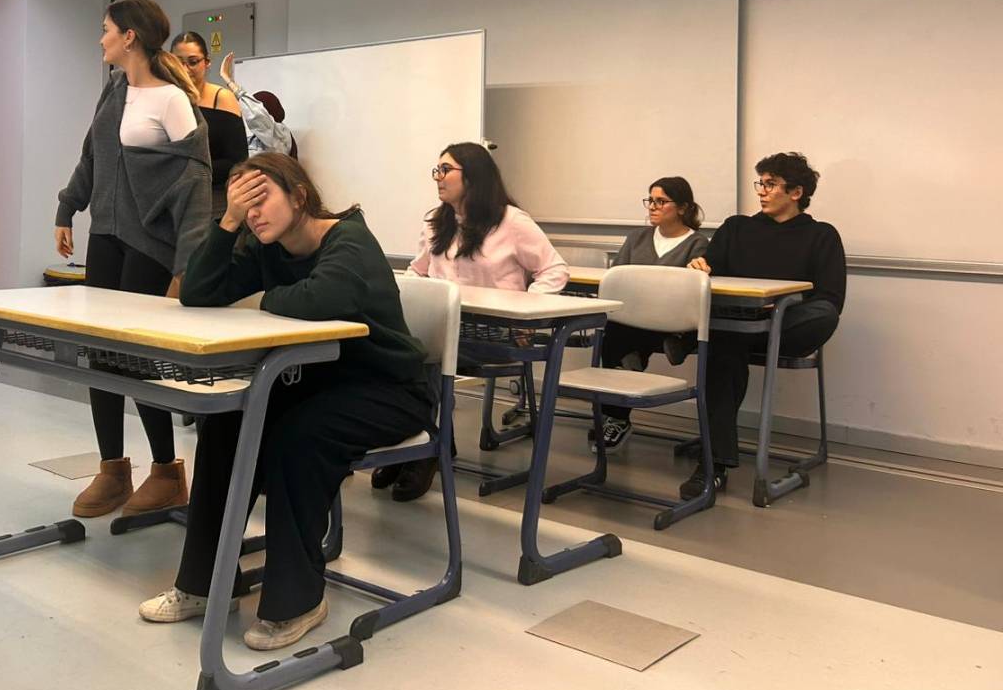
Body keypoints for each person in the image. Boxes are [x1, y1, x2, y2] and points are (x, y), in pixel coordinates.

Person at [139, 154, 433, 651]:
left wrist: (261, 300)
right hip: (320, 385)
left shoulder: (349, 238)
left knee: (300, 437)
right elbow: (201, 293)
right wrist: (227, 223)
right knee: (227, 423)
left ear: (298, 195)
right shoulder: (266, 248)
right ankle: (205, 584)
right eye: (242, 204)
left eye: (259, 198)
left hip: (390, 390)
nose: (252, 214)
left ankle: (297, 600)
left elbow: (322, 300)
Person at [56, 0, 212, 519]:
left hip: (150, 245)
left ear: (130, 37)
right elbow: (92, 155)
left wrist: (185, 265)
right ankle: (113, 469)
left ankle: (167, 471)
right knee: (101, 354)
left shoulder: (172, 100)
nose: (100, 38)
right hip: (105, 235)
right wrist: (67, 207)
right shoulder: (114, 89)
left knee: (137, 358)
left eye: (106, 30)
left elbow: (195, 189)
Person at [379, 141, 568, 500]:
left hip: (495, 335)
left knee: (422, 356)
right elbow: (417, 270)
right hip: (446, 328)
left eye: (446, 170)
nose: (438, 177)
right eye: (437, 170)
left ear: (473, 175)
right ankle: (414, 440)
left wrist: (526, 311)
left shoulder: (511, 221)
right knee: (396, 350)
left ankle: (428, 447)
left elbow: (554, 269)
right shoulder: (436, 221)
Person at [683, 152, 845, 498]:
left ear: (796, 192)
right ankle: (714, 465)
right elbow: (709, 268)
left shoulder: (822, 235)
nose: (761, 191)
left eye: (771, 184)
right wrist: (699, 265)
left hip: (784, 330)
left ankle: (686, 338)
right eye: (761, 183)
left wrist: (778, 310)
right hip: (734, 331)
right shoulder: (736, 227)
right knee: (724, 344)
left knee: (823, 313)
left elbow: (831, 299)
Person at [589, 176, 711, 453]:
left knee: (624, 340)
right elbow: (616, 278)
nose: (652, 207)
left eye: (661, 201)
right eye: (650, 200)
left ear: (682, 208)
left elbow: (689, 291)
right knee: (614, 332)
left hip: (669, 320)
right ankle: (616, 414)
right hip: (633, 318)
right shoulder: (637, 238)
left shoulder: (697, 243)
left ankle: (616, 416)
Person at [171, 32, 249, 219]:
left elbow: (238, 160)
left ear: (206, 62)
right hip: (172, 201)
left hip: (214, 202)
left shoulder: (222, 98)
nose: (185, 69)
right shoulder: (165, 99)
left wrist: (190, 170)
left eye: (193, 62)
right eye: (178, 62)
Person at [218, 51, 297, 157]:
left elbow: (257, 115)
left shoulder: (280, 136)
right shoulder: (257, 138)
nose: (248, 110)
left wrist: (229, 81)